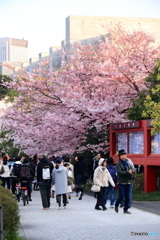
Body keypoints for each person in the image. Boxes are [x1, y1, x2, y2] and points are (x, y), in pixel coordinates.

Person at [115, 149, 135, 214]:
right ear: (120, 156)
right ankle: (116, 204)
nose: (125, 156)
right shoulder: (118, 164)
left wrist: (132, 172)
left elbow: (131, 169)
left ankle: (125, 209)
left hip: (128, 181)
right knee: (121, 196)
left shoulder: (128, 163)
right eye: (123, 155)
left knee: (128, 197)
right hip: (121, 182)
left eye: (125, 154)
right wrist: (127, 172)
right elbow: (119, 172)